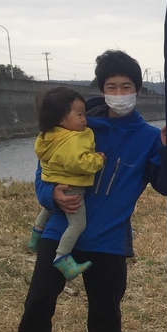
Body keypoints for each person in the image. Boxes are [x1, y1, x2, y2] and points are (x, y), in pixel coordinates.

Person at [14, 50, 167, 332]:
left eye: (126, 86)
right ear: (102, 88)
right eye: (111, 86)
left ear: (138, 89)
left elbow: (164, 185)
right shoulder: (80, 127)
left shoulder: (148, 137)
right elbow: (45, 172)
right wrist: (49, 194)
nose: (118, 92)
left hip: (110, 239)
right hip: (60, 230)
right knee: (38, 301)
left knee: (105, 309)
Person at [28, 86, 106, 280]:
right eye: (79, 114)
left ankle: (36, 234)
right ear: (61, 118)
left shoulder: (48, 137)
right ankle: (62, 257)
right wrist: (98, 160)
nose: (84, 119)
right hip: (72, 188)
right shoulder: (71, 140)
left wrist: (50, 193)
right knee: (77, 224)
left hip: (53, 182)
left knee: (49, 209)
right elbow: (78, 162)